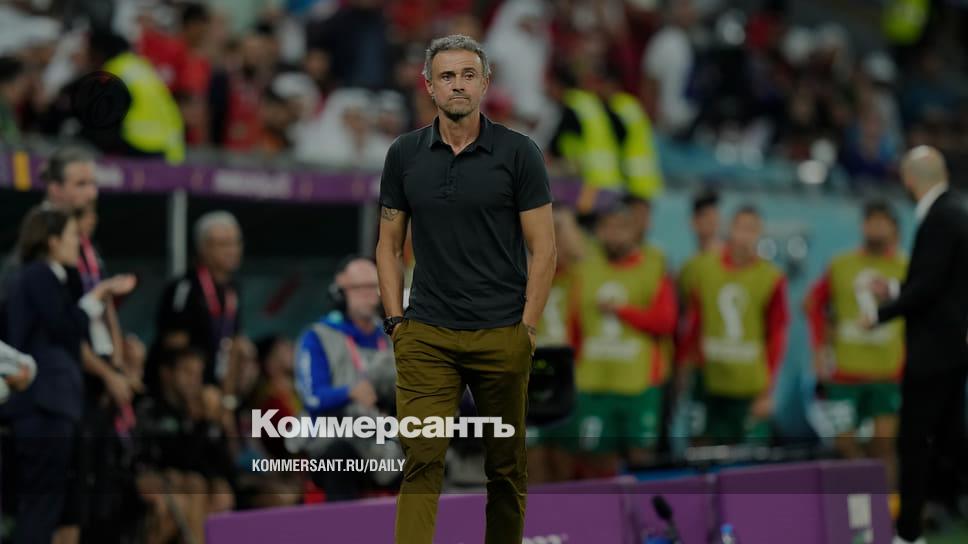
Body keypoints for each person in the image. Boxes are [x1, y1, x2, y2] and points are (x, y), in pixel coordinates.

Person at [376, 34, 556, 544]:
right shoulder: (403, 154)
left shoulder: (520, 153)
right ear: (429, 86)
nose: (458, 85)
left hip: (502, 333)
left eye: (468, 75)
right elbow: (387, 246)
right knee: (421, 461)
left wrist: (525, 330)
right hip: (426, 336)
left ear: (485, 83)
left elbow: (544, 249)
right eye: (448, 76)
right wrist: (396, 324)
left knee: (505, 468)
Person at [4, 207, 135, 544]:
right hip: (42, 405)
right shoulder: (38, 276)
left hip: (54, 405)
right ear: (52, 241)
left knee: (60, 509)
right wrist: (97, 296)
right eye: (72, 236)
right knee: (41, 507)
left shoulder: (52, 278)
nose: (78, 243)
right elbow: (64, 327)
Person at [860, 146, 968, 544]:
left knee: (915, 441)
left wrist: (880, 314)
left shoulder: (939, 217)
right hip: (952, 350)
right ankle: (932, 515)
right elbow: (937, 283)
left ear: (909, 179)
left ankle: (907, 533)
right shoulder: (955, 211)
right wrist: (893, 288)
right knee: (951, 439)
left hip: (932, 352)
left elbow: (927, 288)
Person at [566, 201, 678, 476]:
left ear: (633, 232)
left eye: (621, 227)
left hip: (639, 385)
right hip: (594, 384)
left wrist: (622, 311)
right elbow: (574, 327)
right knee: (595, 463)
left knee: (642, 462)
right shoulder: (586, 270)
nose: (615, 234)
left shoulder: (653, 268)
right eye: (608, 228)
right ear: (599, 232)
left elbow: (665, 322)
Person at [804, 201, 906, 487]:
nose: (877, 228)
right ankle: (855, 505)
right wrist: (819, 349)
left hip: (887, 373)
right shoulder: (841, 264)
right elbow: (812, 304)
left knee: (884, 447)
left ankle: (888, 510)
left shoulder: (905, 267)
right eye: (872, 221)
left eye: (883, 222)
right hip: (844, 373)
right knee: (844, 445)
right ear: (862, 226)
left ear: (894, 228)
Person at [679, 206, 789, 445]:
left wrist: (768, 390)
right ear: (730, 230)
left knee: (749, 455)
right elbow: (693, 322)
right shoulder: (703, 268)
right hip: (708, 380)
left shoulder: (771, 277)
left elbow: (777, 334)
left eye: (751, 229)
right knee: (700, 449)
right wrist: (685, 368)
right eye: (740, 228)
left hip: (749, 385)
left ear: (760, 233)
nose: (745, 236)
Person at [292, 256, 398, 501]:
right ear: (339, 293)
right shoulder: (318, 337)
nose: (369, 295)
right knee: (341, 458)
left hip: (381, 437)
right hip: (334, 438)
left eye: (374, 287)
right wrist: (349, 392)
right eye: (360, 288)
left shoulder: (389, 337)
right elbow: (312, 397)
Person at [151, 211, 244, 394]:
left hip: (215, 390)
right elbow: (175, 350)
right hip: (185, 392)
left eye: (236, 242)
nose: (232, 250)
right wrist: (196, 395)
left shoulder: (232, 290)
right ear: (203, 248)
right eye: (223, 244)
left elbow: (233, 344)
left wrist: (227, 398)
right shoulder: (184, 288)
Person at [527, 206, 584, 484]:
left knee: (563, 461)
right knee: (532, 459)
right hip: (529, 371)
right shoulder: (520, 270)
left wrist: (562, 219)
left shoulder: (576, 276)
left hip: (566, 373)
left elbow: (580, 254)